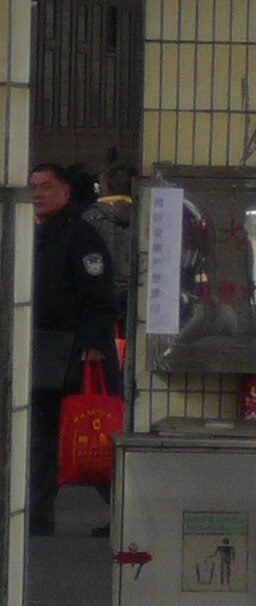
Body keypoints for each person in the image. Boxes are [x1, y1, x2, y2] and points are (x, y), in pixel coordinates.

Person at [28, 162, 120, 537]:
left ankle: (126, 511)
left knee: (91, 428)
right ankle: (37, 515)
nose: (38, 193)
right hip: (44, 348)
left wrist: (96, 343)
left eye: (46, 186)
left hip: (80, 351)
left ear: (66, 191)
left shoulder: (81, 236)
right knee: (45, 434)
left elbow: (99, 294)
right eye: (33, 186)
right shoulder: (33, 233)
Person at [81, 163, 136, 317]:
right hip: (137, 290)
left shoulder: (90, 217)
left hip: (101, 292)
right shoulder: (144, 214)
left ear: (105, 187)